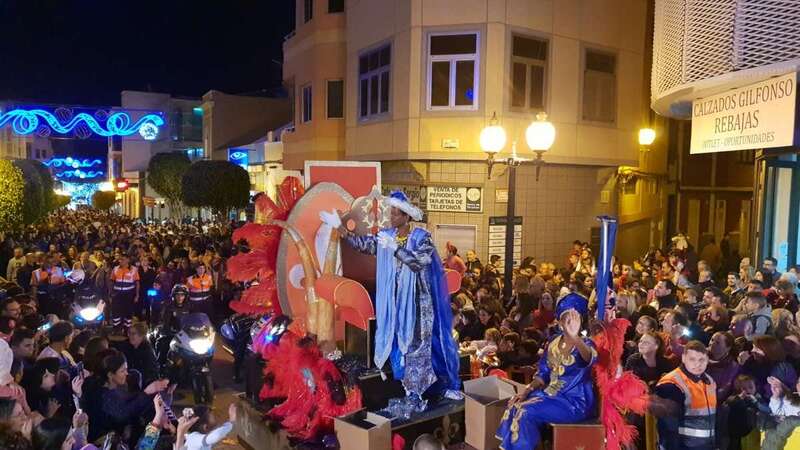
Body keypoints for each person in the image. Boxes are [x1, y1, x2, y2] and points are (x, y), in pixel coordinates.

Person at [320, 191, 462, 405]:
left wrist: (395, 249)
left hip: (418, 303)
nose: (391, 217)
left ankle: (432, 388)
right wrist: (340, 229)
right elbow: (364, 245)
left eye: (396, 214)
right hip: (395, 303)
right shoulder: (387, 235)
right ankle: (408, 387)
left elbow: (416, 263)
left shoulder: (422, 238)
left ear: (407, 217)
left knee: (420, 345)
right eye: (391, 213)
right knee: (399, 343)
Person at [496, 294, 596, 450]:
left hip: (574, 402)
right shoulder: (553, 342)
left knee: (525, 412)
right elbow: (543, 373)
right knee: (515, 405)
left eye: (573, 318)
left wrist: (576, 338)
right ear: (559, 320)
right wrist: (526, 390)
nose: (568, 322)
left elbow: (589, 358)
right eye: (565, 318)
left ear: (580, 321)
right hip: (551, 396)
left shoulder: (586, 344)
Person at [652, 340, 717, 450]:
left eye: (702, 359)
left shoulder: (709, 381)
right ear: (683, 358)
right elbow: (668, 428)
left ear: (707, 360)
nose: (698, 364)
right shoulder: (671, 383)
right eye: (692, 359)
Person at [119, 322, 159, 387]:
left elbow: (150, 374)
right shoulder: (126, 346)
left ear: (141, 336)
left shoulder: (147, 352)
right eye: (129, 333)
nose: (130, 336)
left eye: (133, 334)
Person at [109, 254, 140, 331]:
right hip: (117, 294)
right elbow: (111, 281)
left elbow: (137, 283)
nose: (120, 261)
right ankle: (116, 328)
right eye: (120, 259)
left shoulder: (134, 269)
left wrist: (137, 295)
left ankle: (127, 329)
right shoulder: (115, 269)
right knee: (116, 311)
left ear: (127, 260)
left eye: (122, 259)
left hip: (128, 294)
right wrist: (111, 293)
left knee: (128, 312)